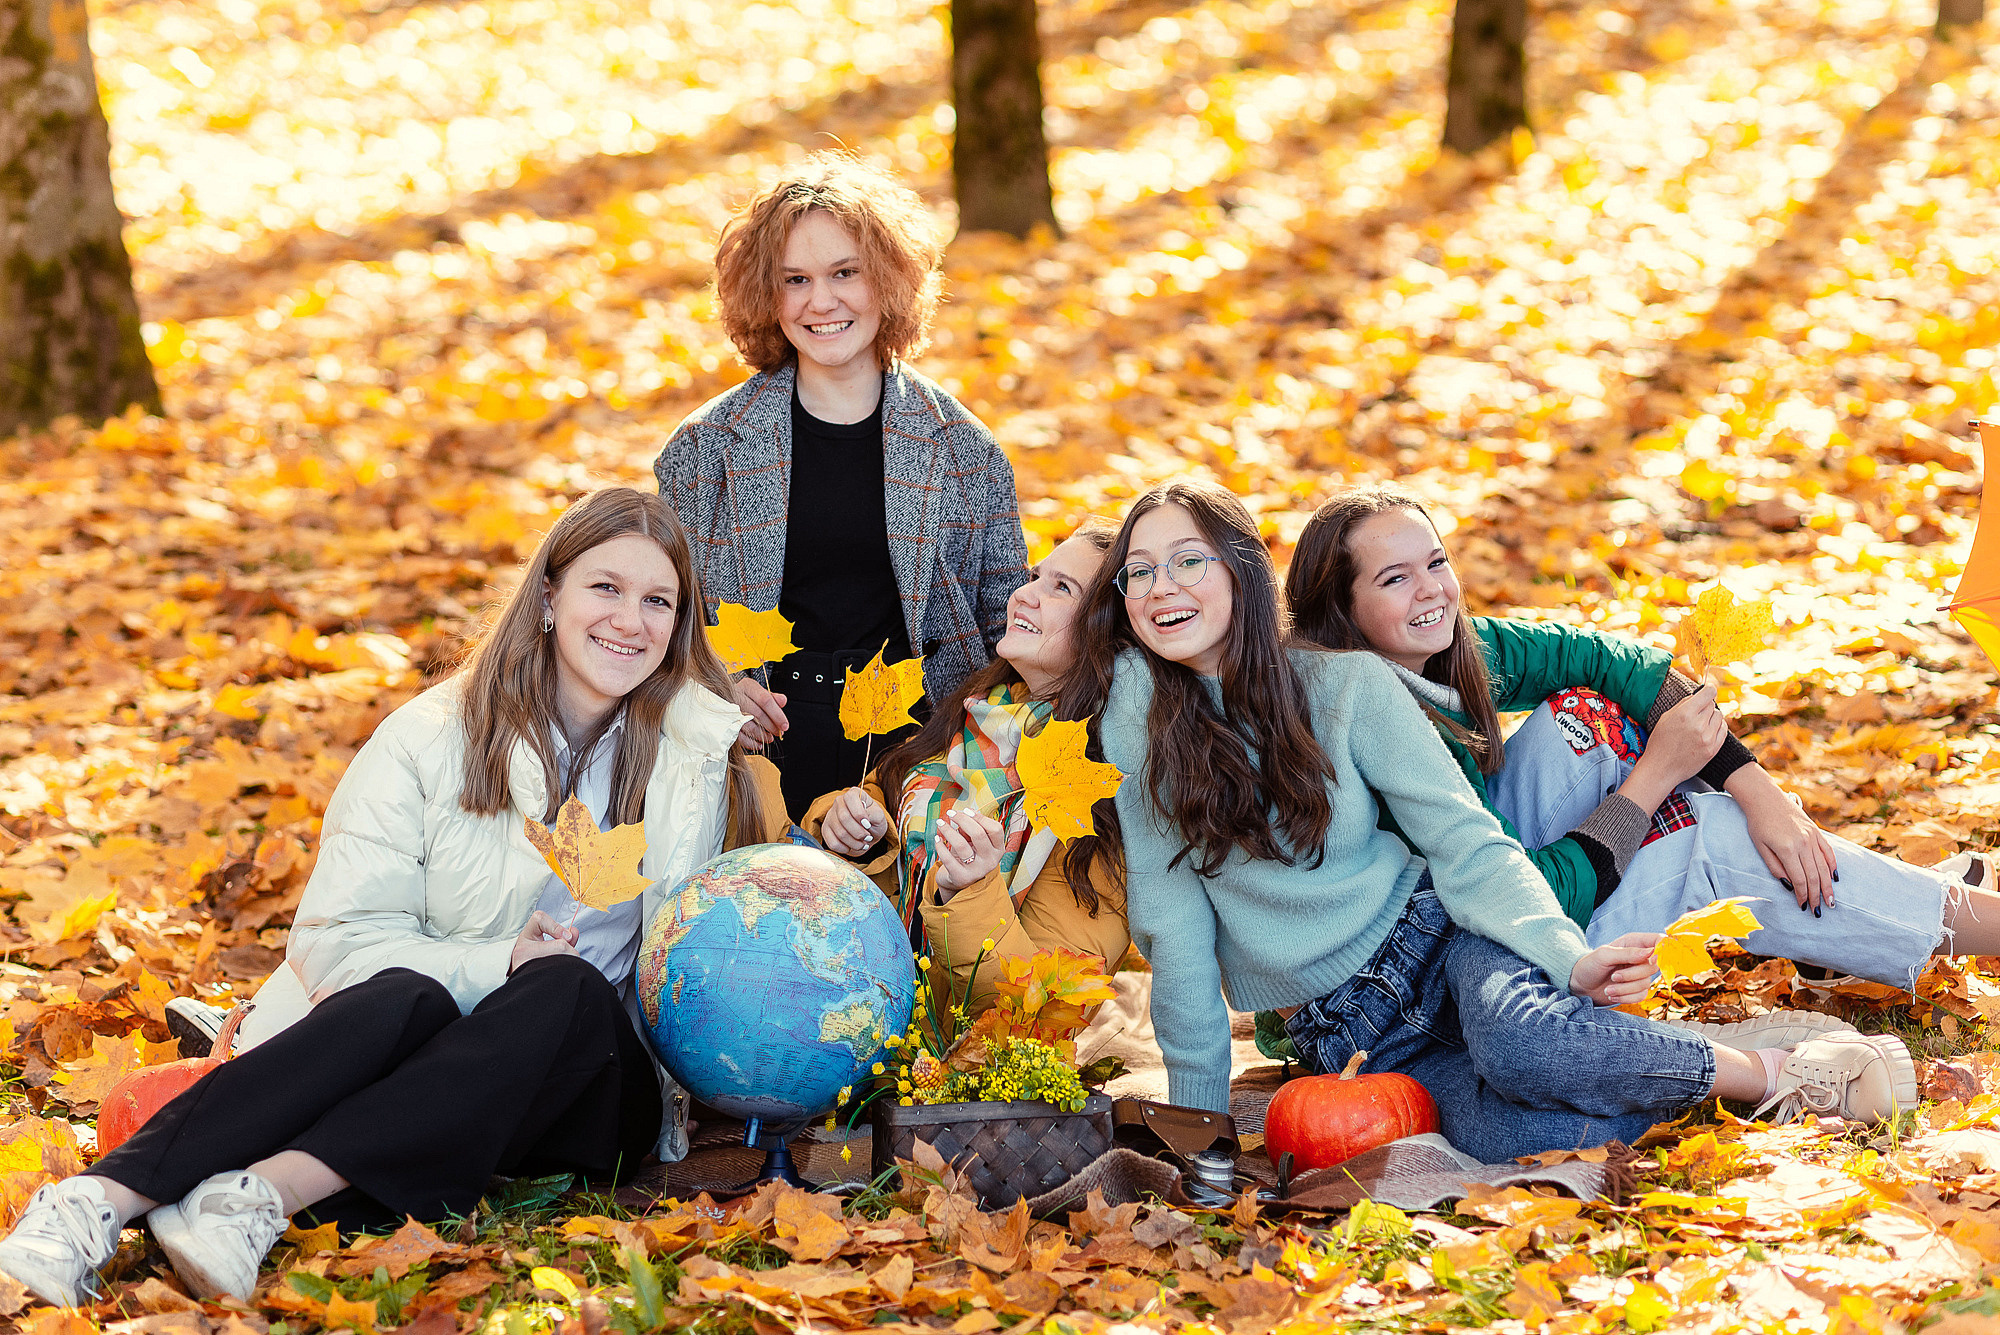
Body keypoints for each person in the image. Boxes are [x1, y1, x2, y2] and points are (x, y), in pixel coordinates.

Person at [0, 488, 775, 1307]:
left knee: (566, 985)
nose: (631, 619)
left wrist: (842, 837)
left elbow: (733, 928)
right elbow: (340, 943)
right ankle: (94, 1205)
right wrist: (496, 960)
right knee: (411, 989)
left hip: (581, 1089)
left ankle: (258, 1194)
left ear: (679, 624)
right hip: (415, 1062)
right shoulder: (430, 737)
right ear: (548, 595)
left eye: (658, 601)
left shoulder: (694, 758)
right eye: (605, 588)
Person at [1057, 478, 1916, 1164]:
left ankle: (1772, 1071)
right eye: (1139, 571)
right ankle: (1655, 1053)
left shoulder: (1348, 688)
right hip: (1349, 1035)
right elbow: (1175, 944)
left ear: (1241, 572)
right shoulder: (1147, 748)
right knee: (1531, 1138)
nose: (1161, 585)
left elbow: (1468, 844)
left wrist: (1566, 957)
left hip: (1442, 942)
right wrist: (1202, 1129)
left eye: (1188, 561)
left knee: (1524, 1049)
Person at [1284, 486, 2000, 989]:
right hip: (1459, 967)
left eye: (1437, 562)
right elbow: (1521, 899)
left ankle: (1865, 905)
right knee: (1705, 837)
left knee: (1588, 711)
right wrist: (1653, 780)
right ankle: (1963, 921)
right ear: (1341, 612)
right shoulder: (1378, 726)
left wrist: (1761, 789)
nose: (1433, 589)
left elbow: (1608, 661)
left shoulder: (1447, 652)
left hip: (1498, 891)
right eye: (1395, 578)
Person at [655, 152, 1029, 821]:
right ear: (766, 295)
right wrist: (716, 696)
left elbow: (1007, 635)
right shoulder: (704, 450)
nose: (820, 301)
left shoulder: (968, 452)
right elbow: (660, 620)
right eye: (795, 279)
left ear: (887, 281)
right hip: (755, 752)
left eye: (844, 273)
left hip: (918, 756)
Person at [805, 521, 1126, 1012]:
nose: (1023, 595)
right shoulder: (977, 713)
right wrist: (845, 825)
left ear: (1107, 633)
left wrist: (970, 891)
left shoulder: (1099, 792)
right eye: (1036, 576)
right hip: (855, 1025)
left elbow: (1048, 1010)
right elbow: (883, 808)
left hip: (968, 1069)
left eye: (1060, 588)